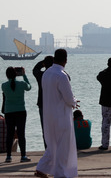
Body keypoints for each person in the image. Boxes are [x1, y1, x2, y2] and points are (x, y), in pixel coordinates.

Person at [35, 49, 79, 178]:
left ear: (54, 58)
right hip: (61, 115)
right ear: (65, 60)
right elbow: (69, 98)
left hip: (48, 114)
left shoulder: (46, 73)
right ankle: (61, 174)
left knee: (52, 143)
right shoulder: (62, 75)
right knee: (63, 146)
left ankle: (42, 168)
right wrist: (75, 101)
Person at [2, 67, 31, 163]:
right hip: (20, 111)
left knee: (9, 134)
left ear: (7, 75)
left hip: (9, 112)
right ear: (16, 74)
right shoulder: (21, 84)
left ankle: (8, 156)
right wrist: (24, 75)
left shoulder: (3, 86)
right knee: (21, 134)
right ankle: (23, 156)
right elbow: (29, 87)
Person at [32, 55, 54, 148]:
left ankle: (47, 149)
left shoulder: (41, 75)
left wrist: (43, 63)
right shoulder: (57, 75)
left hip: (42, 105)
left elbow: (35, 69)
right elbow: (67, 77)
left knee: (45, 129)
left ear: (44, 64)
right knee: (55, 129)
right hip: (54, 105)